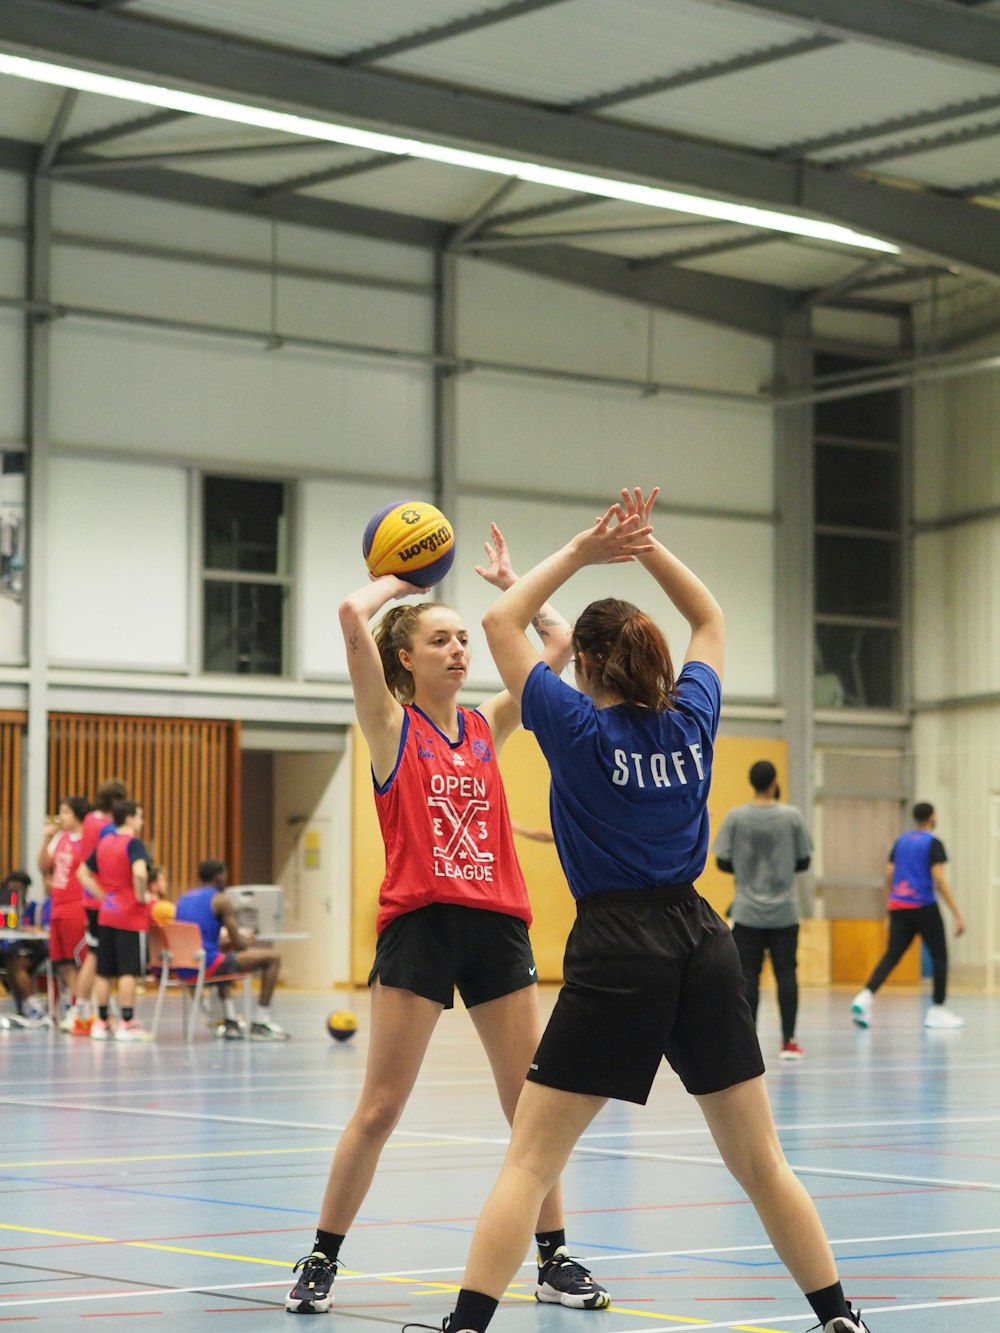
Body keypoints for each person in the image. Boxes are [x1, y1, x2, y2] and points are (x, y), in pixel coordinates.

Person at [426, 488, 871, 1333]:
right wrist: (647, 547)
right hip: (704, 939)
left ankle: (466, 1326)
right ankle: (840, 1316)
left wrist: (585, 550)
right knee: (760, 1160)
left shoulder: (577, 729)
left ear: (584, 668)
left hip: (618, 944)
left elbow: (500, 627)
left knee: (529, 1158)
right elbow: (708, 616)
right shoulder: (692, 720)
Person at [284, 525, 609, 1317]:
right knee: (381, 1106)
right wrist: (400, 580)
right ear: (407, 658)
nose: (461, 649)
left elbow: (558, 636)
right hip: (420, 925)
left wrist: (510, 585)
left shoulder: (487, 723)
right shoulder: (392, 726)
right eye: (443, 639)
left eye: (466, 638)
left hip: (497, 924)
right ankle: (321, 1257)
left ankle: (553, 1257)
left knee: (533, 1103)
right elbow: (348, 618)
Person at [713, 760, 812, 1060]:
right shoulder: (792, 816)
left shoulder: (736, 817)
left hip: (747, 911)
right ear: (774, 783)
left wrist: (747, 872)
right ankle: (789, 1042)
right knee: (786, 973)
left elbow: (721, 860)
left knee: (748, 976)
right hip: (784, 910)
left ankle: (748, 1043)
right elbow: (804, 860)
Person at [851, 801, 965, 1031]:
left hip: (899, 905)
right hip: (923, 906)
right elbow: (939, 879)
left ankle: (865, 997)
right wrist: (957, 914)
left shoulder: (900, 842)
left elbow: (889, 875)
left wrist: (889, 909)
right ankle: (937, 1010)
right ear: (932, 817)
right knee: (940, 956)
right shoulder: (933, 843)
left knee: (892, 955)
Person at [174, 858, 288, 1041]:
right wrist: (249, 937)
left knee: (223, 956)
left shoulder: (183, 898)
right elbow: (241, 945)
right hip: (207, 967)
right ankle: (260, 1021)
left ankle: (230, 1021)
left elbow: (202, 939)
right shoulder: (221, 900)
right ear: (219, 876)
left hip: (183, 967)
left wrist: (226, 942)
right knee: (273, 958)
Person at [77, 799, 152, 1042]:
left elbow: (82, 873)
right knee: (128, 970)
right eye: (139, 816)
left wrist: (104, 895)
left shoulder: (104, 843)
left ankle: (100, 1022)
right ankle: (127, 1022)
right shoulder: (134, 845)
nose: (141, 821)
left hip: (107, 911)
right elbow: (140, 872)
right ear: (129, 818)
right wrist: (141, 895)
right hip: (130, 913)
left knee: (104, 969)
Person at [73, 778, 129, 1035]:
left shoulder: (88, 821)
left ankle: (82, 1008)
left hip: (89, 897)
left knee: (94, 955)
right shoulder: (107, 828)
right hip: (102, 899)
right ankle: (87, 1010)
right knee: (99, 958)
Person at [38, 796, 91, 1032]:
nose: (62, 818)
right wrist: (46, 839)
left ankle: (80, 1008)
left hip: (76, 907)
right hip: (56, 907)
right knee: (62, 963)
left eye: (66, 812)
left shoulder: (89, 841)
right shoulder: (60, 838)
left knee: (77, 961)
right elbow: (42, 867)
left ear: (78, 814)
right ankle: (73, 1004)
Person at [0, 870, 52, 1029]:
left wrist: (30, 929)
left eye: (19, 888)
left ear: (26, 888)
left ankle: (36, 1009)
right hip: (10, 950)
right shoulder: (4, 909)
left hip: (35, 949)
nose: (15, 892)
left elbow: (44, 930)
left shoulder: (36, 907)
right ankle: (22, 1009)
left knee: (15, 963)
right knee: (10, 961)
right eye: (11, 888)